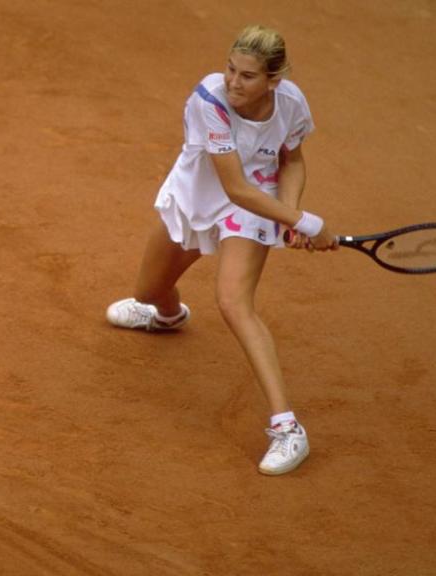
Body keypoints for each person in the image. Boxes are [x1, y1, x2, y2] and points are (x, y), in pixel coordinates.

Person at [106, 25, 338, 475]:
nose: (233, 82)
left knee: (234, 301)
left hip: (255, 202)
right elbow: (233, 186)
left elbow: (292, 160)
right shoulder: (209, 101)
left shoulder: (290, 102)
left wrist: (288, 211)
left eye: (248, 76)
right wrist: (305, 223)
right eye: (231, 69)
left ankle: (287, 428)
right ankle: (167, 316)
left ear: (273, 81)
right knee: (149, 289)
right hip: (203, 195)